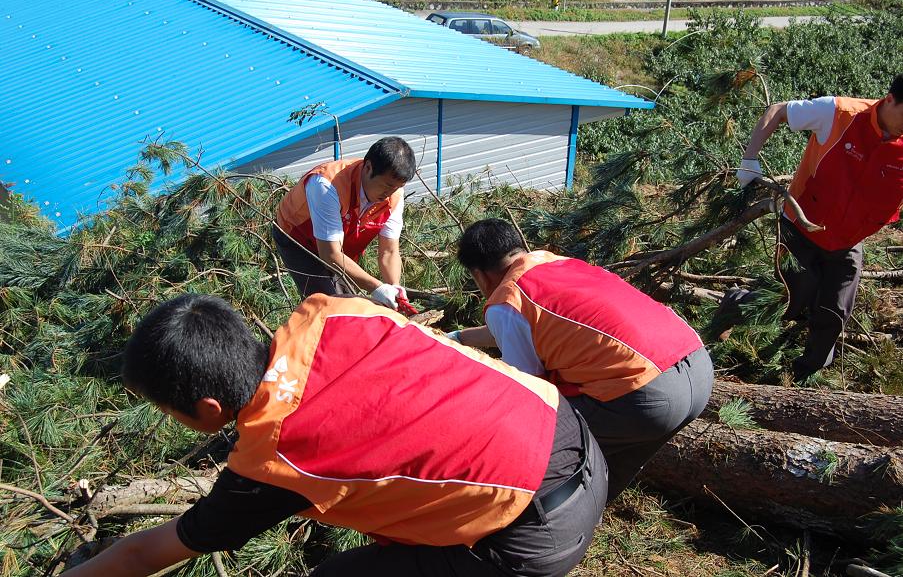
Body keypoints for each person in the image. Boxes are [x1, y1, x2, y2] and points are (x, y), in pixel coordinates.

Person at [64, 293, 607, 577]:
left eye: (166, 409)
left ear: (208, 409)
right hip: (576, 434)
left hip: (538, 530)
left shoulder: (272, 462)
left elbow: (148, 554)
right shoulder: (332, 314)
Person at [451, 219, 713, 502]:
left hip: (646, 396)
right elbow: (524, 327)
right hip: (697, 369)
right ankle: (592, 510)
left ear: (479, 275)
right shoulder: (558, 264)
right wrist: (459, 338)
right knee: (617, 460)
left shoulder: (507, 299)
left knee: (542, 431)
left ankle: (539, 517)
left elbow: (526, 388)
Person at [736, 74, 903, 381]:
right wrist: (750, 159)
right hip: (801, 228)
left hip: (849, 239)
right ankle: (731, 311)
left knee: (834, 312)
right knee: (789, 299)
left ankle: (805, 377)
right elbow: (778, 110)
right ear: (890, 99)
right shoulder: (840, 114)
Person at [273, 136, 415, 310]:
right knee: (328, 306)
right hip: (298, 237)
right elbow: (330, 254)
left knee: (350, 300)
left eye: (396, 188)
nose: (389, 193)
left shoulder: (394, 193)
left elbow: (389, 251)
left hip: (337, 244)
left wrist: (394, 287)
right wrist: (377, 287)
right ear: (368, 167)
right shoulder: (326, 184)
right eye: (387, 186)